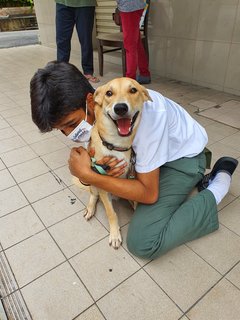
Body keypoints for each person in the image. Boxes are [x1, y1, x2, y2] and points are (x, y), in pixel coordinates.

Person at [30, 61, 238, 260]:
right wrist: (97, 172)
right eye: (62, 130)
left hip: (182, 158)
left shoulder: (144, 117)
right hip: (151, 155)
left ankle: (219, 183)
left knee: (143, 242)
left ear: (91, 101)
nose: (70, 134)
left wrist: (88, 175)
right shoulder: (102, 110)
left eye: (72, 124)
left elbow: (148, 193)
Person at [55, 0, 99, 83]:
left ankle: (88, 71)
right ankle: (61, 73)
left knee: (86, 40)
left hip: (85, 3)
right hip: (63, 3)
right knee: (62, 41)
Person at [116, 0, 151, 84]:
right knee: (137, 44)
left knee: (130, 45)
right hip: (133, 5)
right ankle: (144, 74)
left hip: (129, 7)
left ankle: (130, 80)